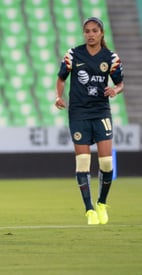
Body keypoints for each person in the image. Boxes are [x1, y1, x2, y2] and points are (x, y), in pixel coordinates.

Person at [55, 17, 124, 225]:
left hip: (101, 112)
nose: (90, 34)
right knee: (83, 161)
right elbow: (61, 78)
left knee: (105, 161)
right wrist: (59, 96)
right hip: (78, 113)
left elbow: (120, 83)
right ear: (84, 33)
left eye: (94, 30)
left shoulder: (111, 58)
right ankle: (89, 210)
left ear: (101, 33)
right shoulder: (73, 54)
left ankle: (102, 203)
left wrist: (115, 90)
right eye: (87, 31)